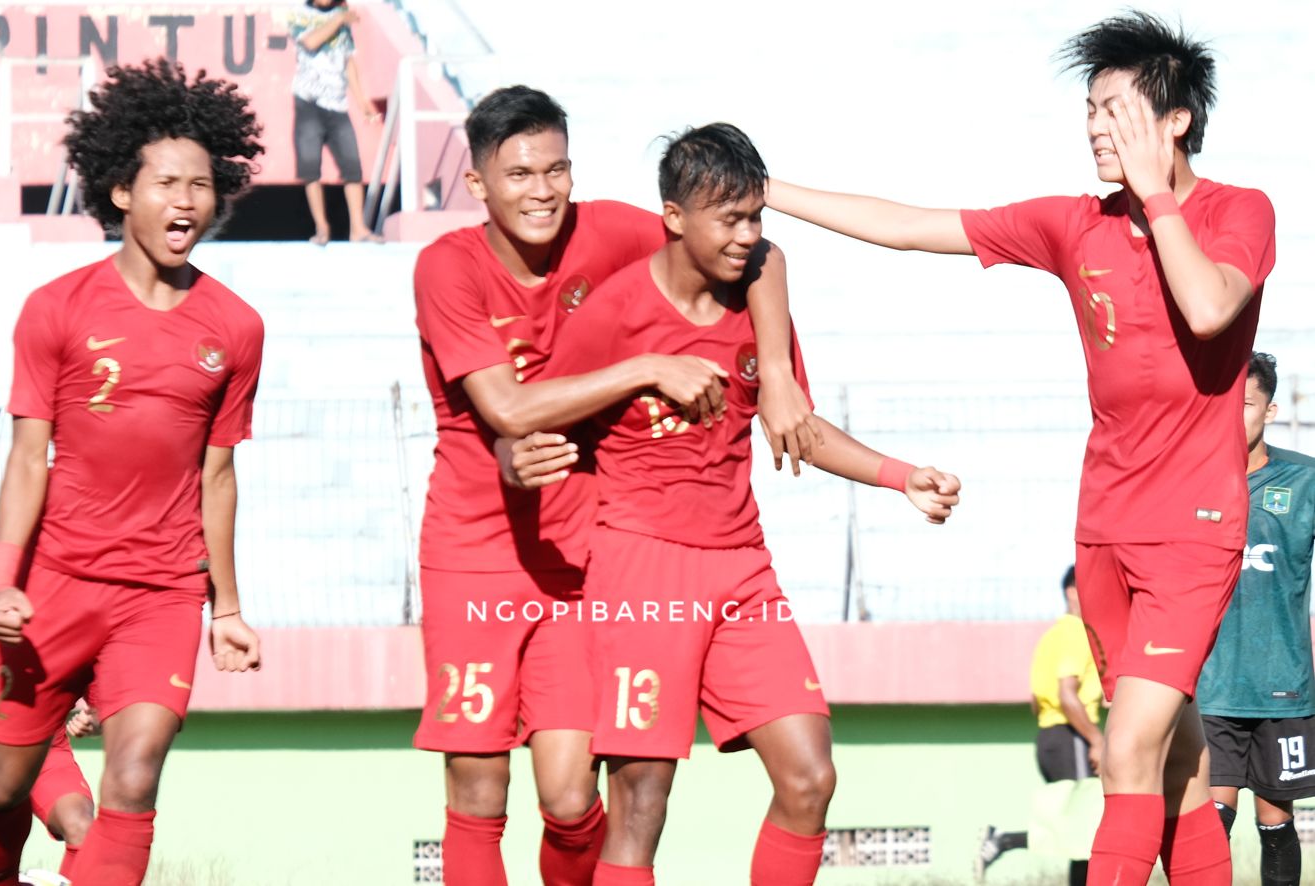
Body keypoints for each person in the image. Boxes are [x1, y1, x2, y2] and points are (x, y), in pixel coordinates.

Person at [765, 11, 1275, 883]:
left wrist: (1158, 198)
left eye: (1114, 108)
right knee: (1181, 763)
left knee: (1126, 753)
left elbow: (1208, 306)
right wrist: (767, 189)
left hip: (1194, 531)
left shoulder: (1240, 211)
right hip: (1104, 530)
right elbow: (916, 225)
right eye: (1088, 109)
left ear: (1176, 119)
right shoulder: (1074, 224)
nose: (1094, 127)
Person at [522, 122, 960, 886]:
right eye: (728, 218)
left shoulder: (758, 302)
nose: (748, 235)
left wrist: (900, 476)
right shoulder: (616, 311)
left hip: (742, 571)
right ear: (673, 216)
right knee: (641, 802)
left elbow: (796, 428)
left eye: (755, 217)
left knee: (809, 777)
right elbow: (538, 409)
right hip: (640, 570)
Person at [412, 85, 815, 886]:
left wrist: (775, 368)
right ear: (478, 184)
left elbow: (751, 248)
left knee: (567, 797)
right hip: (475, 547)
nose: (542, 190)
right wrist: (646, 366)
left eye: (556, 169)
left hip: (581, 547)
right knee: (479, 780)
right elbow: (510, 410)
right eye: (520, 173)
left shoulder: (612, 232)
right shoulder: (444, 267)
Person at [0, 58, 264, 886]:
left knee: (135, 772)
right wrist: (3, 584)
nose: (186, 201)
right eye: (166, 183)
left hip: (163, 591)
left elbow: (219, 475)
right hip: (56, 582)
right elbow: (29, 455)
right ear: (121, 192)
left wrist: (227, 607)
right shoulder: (56, 309)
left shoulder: (237, 328)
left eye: (201, 185)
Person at [1196, 352, 1315, 886]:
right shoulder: (1186, 482)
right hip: (1209, 685)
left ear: (1267, 410)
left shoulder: (1305, 480)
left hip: (1282, 686)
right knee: (1211, 818)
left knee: (1275, 820)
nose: (1231, 415)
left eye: (1244, 404)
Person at [977, 566, 1103, 885]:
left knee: (1078, 827)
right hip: (1073, 735)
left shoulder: (1050, 637)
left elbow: (1036, 701)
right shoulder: (1077, 632)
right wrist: (1096, 740)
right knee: (1084, 828)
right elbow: (1066, 693)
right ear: (1071, 592)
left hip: (1050, 737)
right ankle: (1002, 840)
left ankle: (1002, 839)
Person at [0, 628, 97, 879]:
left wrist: (93, 723)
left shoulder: (83, 645)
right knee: (1, 870)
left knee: (83, 830)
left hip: (51, 758)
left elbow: (104, 712)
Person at [290, 0, 383, 244]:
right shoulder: (300, 12)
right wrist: (339, 19)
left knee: (353, 167)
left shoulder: (341, 16)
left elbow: (348, 62)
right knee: (311, 168)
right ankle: (321, 228)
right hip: (308, 101)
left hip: (338, 104)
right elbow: (310, 41)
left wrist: (362, 102)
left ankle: (359, 229)